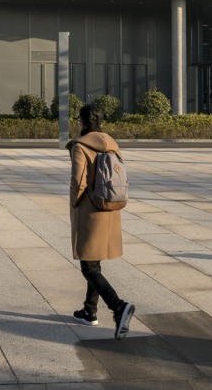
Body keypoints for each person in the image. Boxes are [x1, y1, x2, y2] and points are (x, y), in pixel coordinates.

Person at [67, 103, 136, 337]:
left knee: (88, 266)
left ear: (83, 122)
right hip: (110, 207)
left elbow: (79, 181)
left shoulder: (81, 146)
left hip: (90, 209)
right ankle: (89, 311)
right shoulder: (113, 145)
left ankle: (118, 307)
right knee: (94, 262)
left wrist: (74, 203)